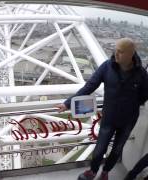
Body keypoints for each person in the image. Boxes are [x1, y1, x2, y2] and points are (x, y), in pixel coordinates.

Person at [55, 38, 148, 180]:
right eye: (115, 50)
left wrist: (131, 104)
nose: (116, 54)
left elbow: (144, 95)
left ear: (131, 54)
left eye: (120, 51)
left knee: (117, 150)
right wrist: (68, 103)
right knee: (99, 149)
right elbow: (90, 86)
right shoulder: (107, 67)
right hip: (109, 117)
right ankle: (92, 171)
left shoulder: (141, 74)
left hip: (128, 120)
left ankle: (105, 172)